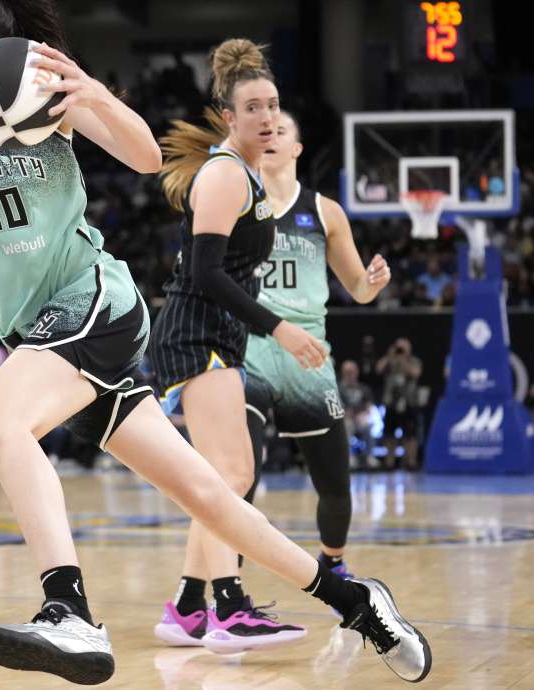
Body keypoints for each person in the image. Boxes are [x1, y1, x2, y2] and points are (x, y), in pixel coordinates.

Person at [0, 3, 430, 684]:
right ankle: (359, 603)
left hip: (90, 299)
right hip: (35, 331)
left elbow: (143, 155)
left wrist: (89, 88)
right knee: (207, 493)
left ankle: (66, 607)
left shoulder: (40, 87)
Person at [152, 103, 393, 654]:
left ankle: (193, 604)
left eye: (282, 123)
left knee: (327, 482)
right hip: (252, 346)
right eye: (263, 119)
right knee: (231, 477)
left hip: (303, 354)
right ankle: (225, 603)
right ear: (240, 126)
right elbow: (204, 270)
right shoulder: (233, 186)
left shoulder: (322, 210)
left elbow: (356, 288)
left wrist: (371, 283)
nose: (272, 128)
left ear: (296, 147)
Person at [377, 338, 423, 470]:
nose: (400, 351)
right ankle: (389, 463)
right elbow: (378, 369)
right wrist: (389, 356)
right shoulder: (390, 361)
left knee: (411, 434)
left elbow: (415, 373)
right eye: (399, 348)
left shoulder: (414, 361)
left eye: (403, 348)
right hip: (391, 402)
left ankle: (411, 462)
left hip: (409, 402)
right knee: (389, 434)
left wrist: (404, 360)